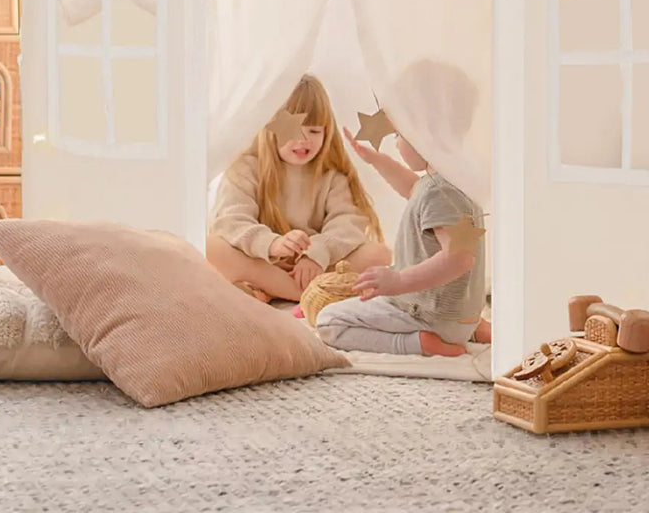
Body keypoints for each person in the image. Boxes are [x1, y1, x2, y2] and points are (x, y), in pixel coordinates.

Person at [207, 74, 389, 302]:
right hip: (265, 262)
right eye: (293, 130)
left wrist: (316, 254)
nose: (303, 141)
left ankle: (276, 290)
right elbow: (232, 220)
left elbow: (347, 223)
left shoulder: (332, 177)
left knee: (378, 254)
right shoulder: (246, 168)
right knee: (211, 246)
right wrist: (273, 244)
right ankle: (303, 294)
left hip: (313, 267)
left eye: (314, 131)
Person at [315, 125, 490, 356]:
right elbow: (412, 188)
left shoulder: (438, 192)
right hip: (460, 316)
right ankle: (473, 328)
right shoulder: (454, 181)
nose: (396, 143)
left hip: (427, 315)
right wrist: (377, 160)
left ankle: (422, 344)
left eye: (398, 136)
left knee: (328, 321)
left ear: (422, 138)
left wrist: (398, 280)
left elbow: (459, 259)